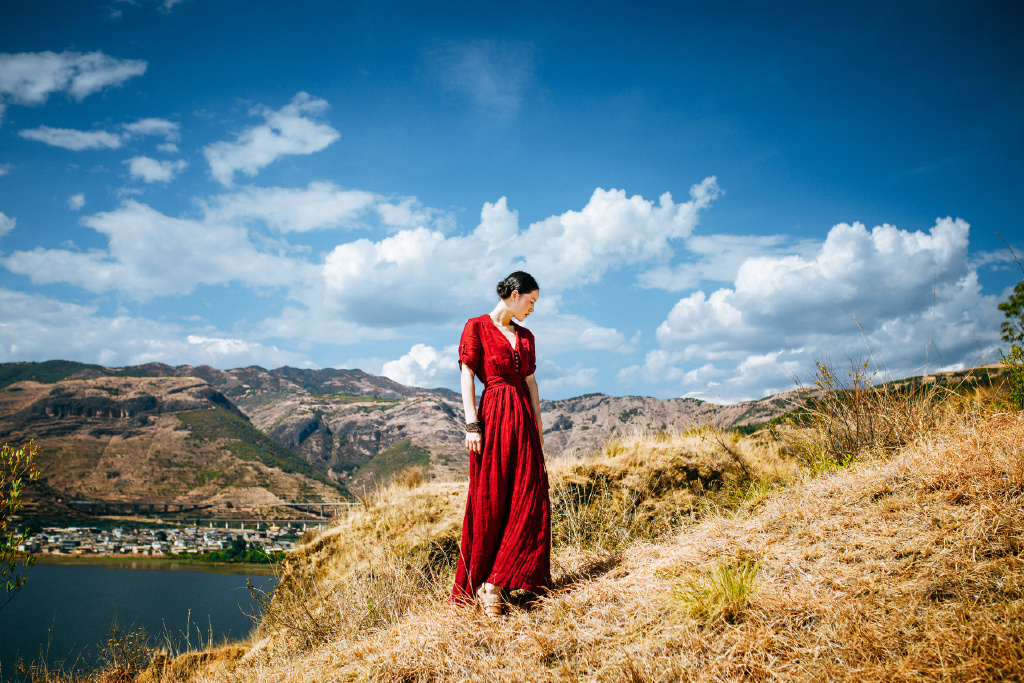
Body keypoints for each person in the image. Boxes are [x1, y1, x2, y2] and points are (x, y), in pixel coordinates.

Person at [451, 271, 551, 616]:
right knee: (491, 496)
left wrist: (538, 427)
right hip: (493, 416)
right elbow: (466, 375)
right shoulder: (476, 327)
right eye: (531, 301)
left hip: (523, 416)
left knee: (531, 494)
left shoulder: (526, 336)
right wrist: (471, 423)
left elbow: (531, 383)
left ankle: (499, 581)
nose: (532, 309)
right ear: (514, 294)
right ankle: (485, 582)